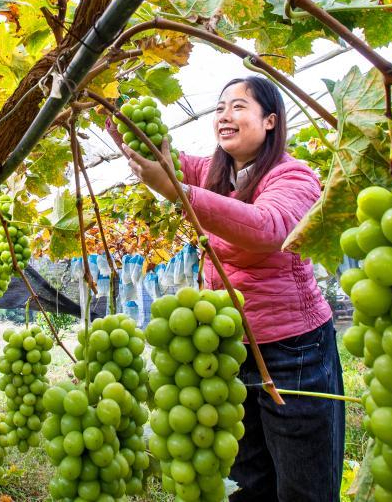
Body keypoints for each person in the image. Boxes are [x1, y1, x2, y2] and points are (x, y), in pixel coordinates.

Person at [117, 76, 343, 501]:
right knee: (246, 476)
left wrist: (178, 192)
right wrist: (114, 108)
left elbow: (268, 227)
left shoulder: (293, 177)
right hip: (228, 346)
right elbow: (160, 155)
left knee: (303, 482)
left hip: (293, 349)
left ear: (270, 120)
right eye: (220, 107)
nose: (224, 115)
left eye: (238, 106)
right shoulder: (213, 171)